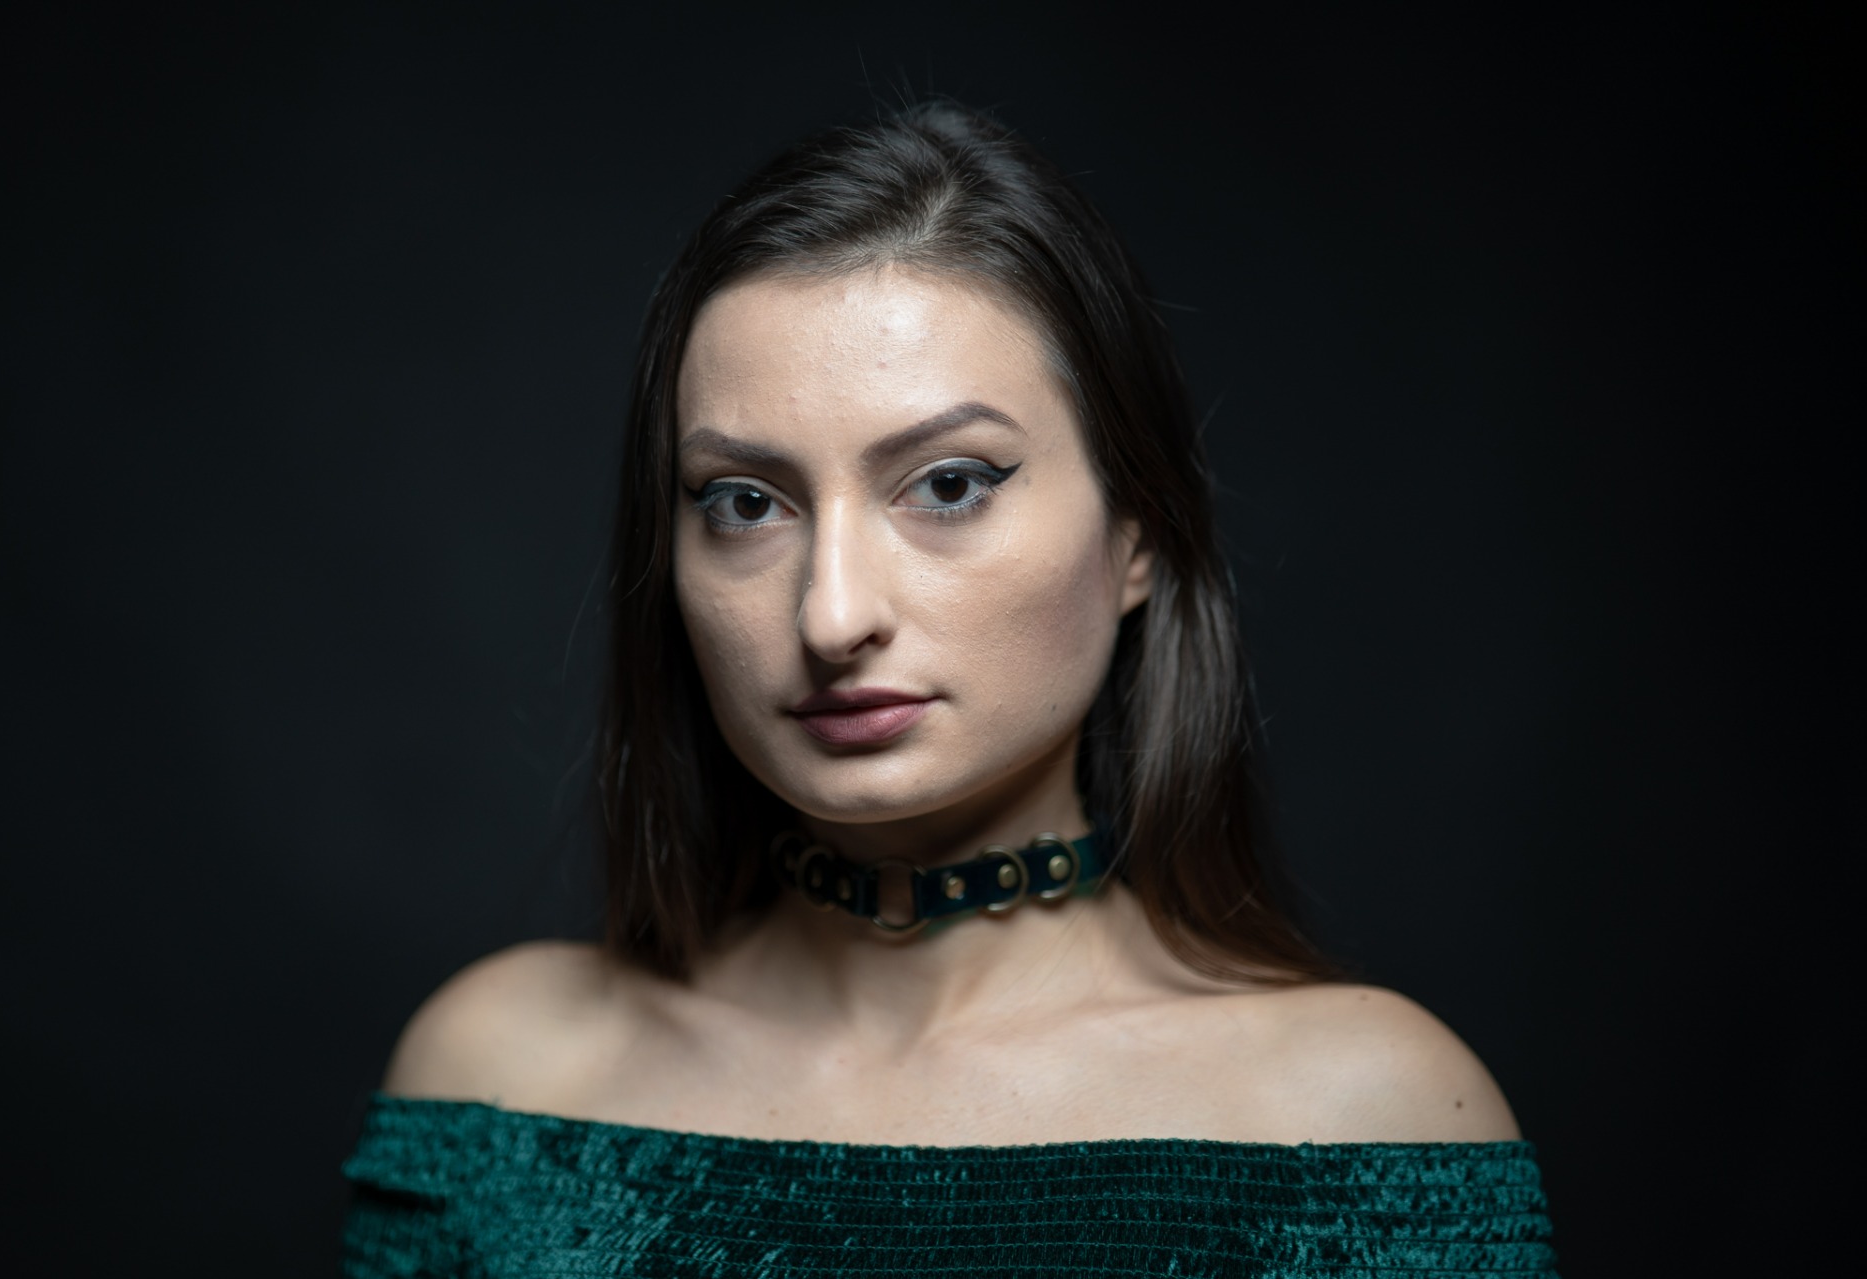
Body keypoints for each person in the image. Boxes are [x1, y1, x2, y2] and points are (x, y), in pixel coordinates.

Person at [340, 100, 1557, 1276]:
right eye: (745, 503)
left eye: (950, 485)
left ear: (1136, 531)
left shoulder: (1363, 1121)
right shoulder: (501, 1081)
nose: (831, 616)